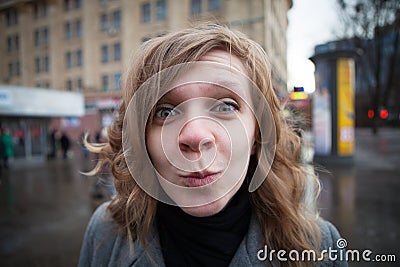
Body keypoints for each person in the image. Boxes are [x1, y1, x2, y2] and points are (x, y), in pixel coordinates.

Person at [79, 24, 347, 267]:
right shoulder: (106, 232)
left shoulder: (321, 247)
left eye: (225, 106)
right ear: (142, 141)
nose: (195, 136)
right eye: (165, 111)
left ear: (258, 136)